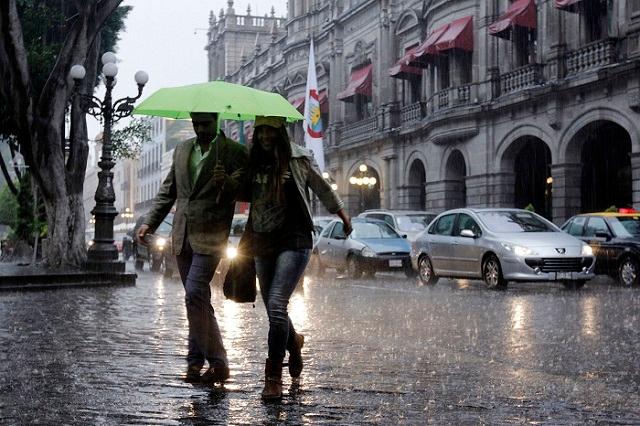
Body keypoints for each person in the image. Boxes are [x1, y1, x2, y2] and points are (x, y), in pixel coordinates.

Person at [244, 116, 352, 400]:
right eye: (261, 131)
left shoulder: (299, 158)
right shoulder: (251, 160)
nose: (266, 137)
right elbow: (240, 192)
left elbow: (322, 187)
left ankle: (272, 378)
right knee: (272, 308)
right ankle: (294, 343)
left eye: (271, 131)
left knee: (277, 304)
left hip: (295, 238)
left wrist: (342, 214)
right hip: (262, 240)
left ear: (280, 132)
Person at [137, 112, 248, 385]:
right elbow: (168, 191)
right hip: (182, 235)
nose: (200, 129)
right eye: (196, 124)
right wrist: (150, 222)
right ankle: (194, 364)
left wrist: (228, 182)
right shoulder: (183, 149)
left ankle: (218, 362)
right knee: (197, 300)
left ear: (217, 120)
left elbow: (247, 191)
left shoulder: (234, 151)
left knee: (194, 295)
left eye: (206, 124)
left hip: (210, 236)